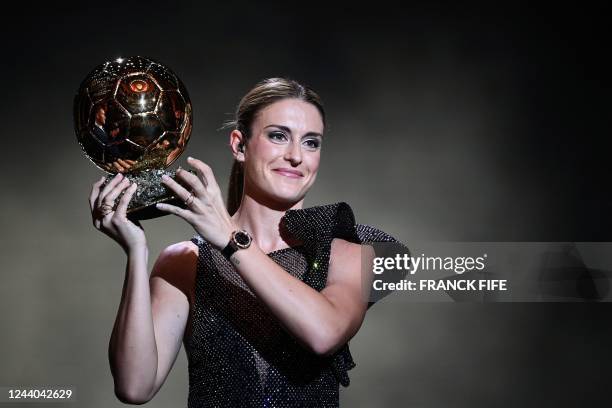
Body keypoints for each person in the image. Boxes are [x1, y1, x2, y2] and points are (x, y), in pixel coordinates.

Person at [88, 78, 407, 407]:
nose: (297, 155)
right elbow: (134, 387)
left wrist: (229, 239)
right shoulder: (186, 262)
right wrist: (136, 254)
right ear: (240, 145)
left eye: (312, 143)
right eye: (279, 136)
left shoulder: (347, 253)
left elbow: (324, 334)